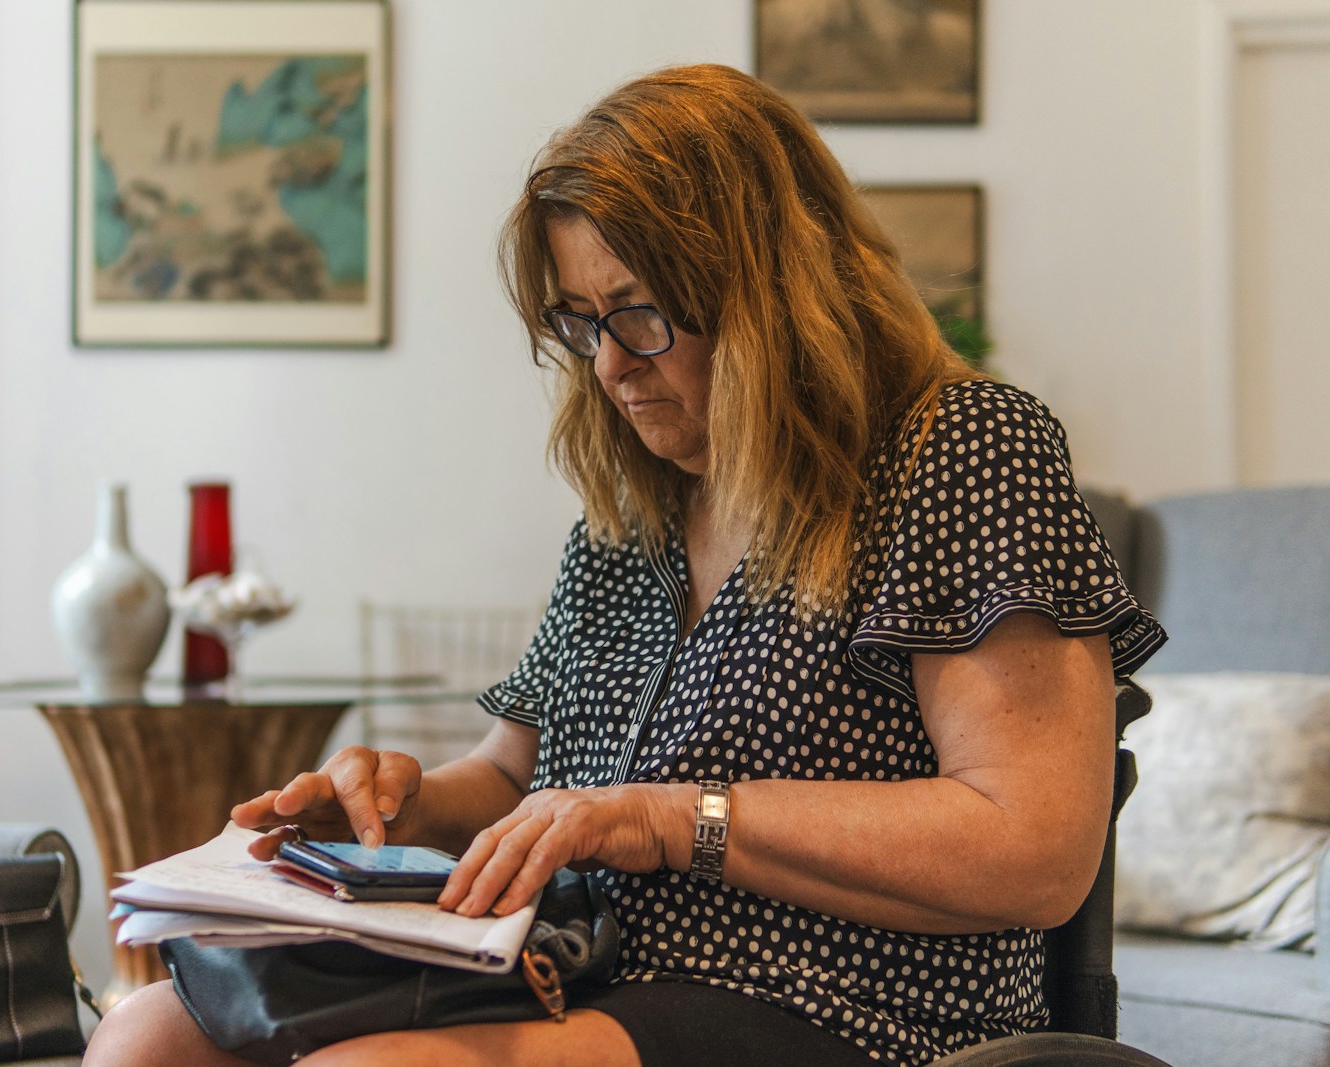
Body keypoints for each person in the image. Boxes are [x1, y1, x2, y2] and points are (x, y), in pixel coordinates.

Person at [84, 62, 1166, 1067]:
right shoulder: (636, 506)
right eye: (580, 320)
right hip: (575, 955)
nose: (605, 364)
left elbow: (1032, 846)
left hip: (845, 999)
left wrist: (666, 814)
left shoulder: (959, 449)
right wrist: (390, 808)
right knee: (149, 1033)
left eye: (637, 314)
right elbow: (514, 773)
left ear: (768, 298)